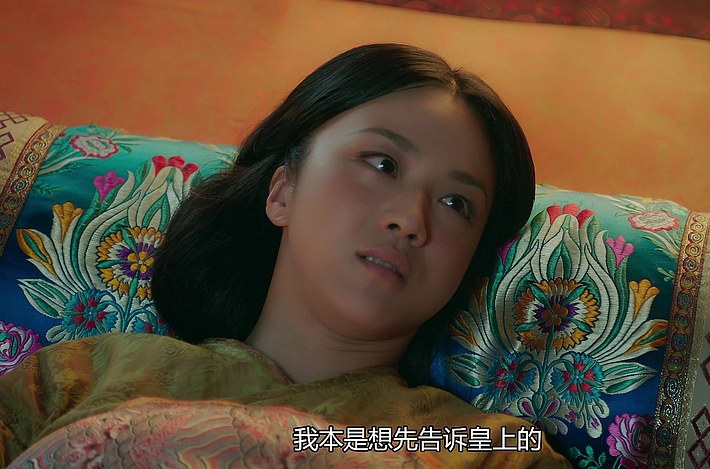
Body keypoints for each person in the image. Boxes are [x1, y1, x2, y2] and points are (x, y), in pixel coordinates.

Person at [0, 43, 568, 467]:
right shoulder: (82, 374)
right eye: (382, 164)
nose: (411, 220)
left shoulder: (486, 446)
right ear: (281, 192)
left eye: (456, 203)